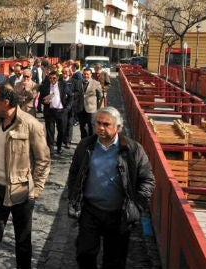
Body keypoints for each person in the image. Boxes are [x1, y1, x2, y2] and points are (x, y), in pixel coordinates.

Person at [0, 83, 51, 269]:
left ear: (5, 102)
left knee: (22, 240)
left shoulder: (31, 125)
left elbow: (43, 160)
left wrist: (36, 190)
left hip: (21, 191)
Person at [66, 107, 155, 269]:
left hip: (119, 214)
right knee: (84, 253)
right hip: (90, 211)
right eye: (98, 123)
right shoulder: (86, 146)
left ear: (118, 127)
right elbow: (74, 173)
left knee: (114, 260)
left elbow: (147, 180)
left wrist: (136, 207)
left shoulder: (132, 149)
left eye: (106, 124)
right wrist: (73, 196)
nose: (101, 127)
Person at [39, 70, 74, 155]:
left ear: (57, 78)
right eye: (50, 78)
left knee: (61, 131)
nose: (52, 80)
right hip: (50, 111)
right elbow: (40, 99)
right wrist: (44, 102)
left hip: (61, 111)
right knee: (50, 131)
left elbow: (71, 96)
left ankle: (58, 147)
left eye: (54, 78)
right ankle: (50, 149)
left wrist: (68, 108)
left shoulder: (63, 85)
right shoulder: (45, 86)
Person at [77, 68, 103, 138]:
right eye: (84, 74)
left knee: (91, 125)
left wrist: (97, 107)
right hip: (81, 108)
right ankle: (84, 141)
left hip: (91, 109)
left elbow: (100, 95)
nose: (86, 76)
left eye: (87, 74)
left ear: (91, 75)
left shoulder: (96, 83)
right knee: (82, 126)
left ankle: (92, 141)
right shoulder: (78, 82)